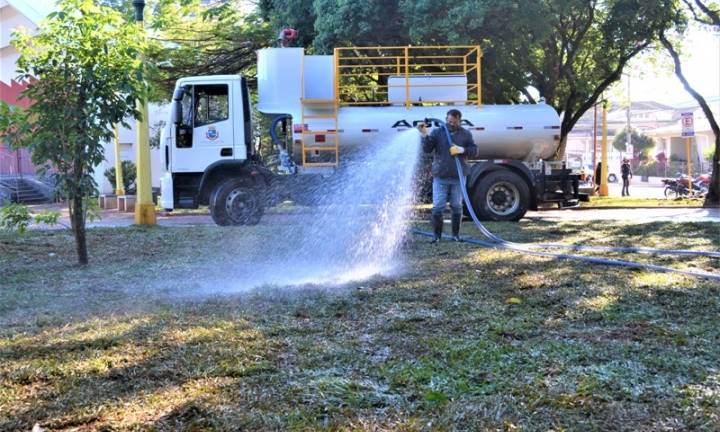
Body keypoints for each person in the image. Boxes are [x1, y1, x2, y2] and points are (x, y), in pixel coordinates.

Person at [418, 109, 479, 243]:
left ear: (459, 121)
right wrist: (424, 135)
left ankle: (455, 235)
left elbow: (475, 151)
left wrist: (461, 150)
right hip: (441, 175)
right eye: (449, 121)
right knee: (438, 206)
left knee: (456, 206)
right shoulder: (438, 132)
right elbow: (427, 149)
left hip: (458, 176)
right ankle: (436, 236)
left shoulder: (465, 134)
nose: (450, 124)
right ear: (446, 119)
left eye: (454, 122)